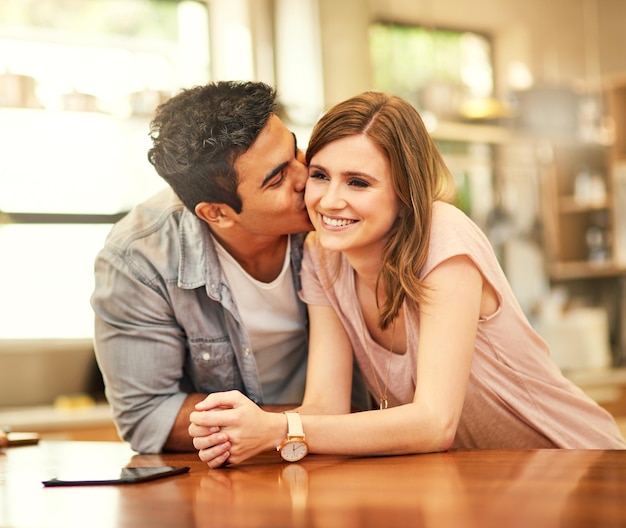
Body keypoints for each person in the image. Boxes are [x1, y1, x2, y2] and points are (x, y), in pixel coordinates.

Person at [189, 90, 626, 468]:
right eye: (320, 175)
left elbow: (434, 423)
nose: (329, 200)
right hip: (487, 480)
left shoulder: (442, 237)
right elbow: (326, 407)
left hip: (578, 463)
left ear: (403, 193)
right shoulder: (322, 256)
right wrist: (238, 430)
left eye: (358, 182)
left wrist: (276, 429)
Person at [92, 81, 322, 453]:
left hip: (349, 453)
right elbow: (148, 414)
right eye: (278, 178)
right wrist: (284, 428)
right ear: (216, 213)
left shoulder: (337, 215)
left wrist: (300, 428)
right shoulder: (139, 258)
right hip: (234, 474)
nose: (307, 178)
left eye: (296, 148)